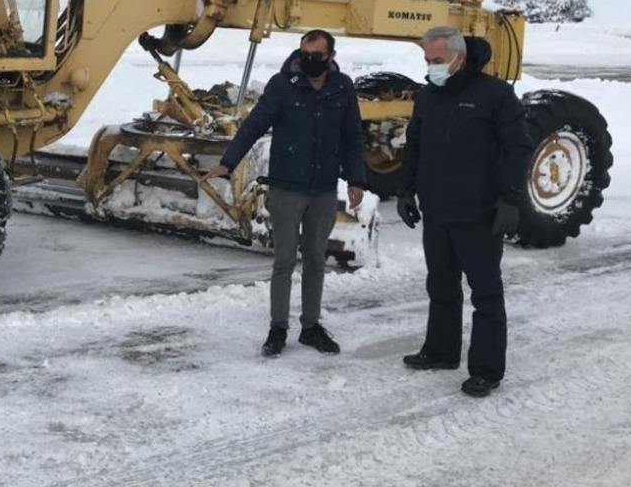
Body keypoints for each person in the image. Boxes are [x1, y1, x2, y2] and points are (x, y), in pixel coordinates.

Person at [203, 30, 367, 357]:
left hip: (323, 189)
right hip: (286, 189)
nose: (309, 61)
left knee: (316, 259)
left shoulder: (342, 87)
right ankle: (278, 328)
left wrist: (356, 180)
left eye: (317, 56)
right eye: (305, 54)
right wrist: (227, 163)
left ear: (331, 57)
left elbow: (352, 134)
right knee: (284, 261)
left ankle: (311, 327)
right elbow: (253, 126)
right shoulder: (282, 85)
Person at [396, 25, 531, 398]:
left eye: (437, 60)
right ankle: (441, 351)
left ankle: (486, 369)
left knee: (485, 293)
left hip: (479, 213)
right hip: (437, 210)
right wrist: (405, 190)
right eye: (427, 60)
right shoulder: (428, 95)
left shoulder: (495, 95)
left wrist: (510, 198)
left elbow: (518, 148)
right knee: (440, 285)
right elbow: (414, 144)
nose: (431, 67)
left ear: (459, 58)